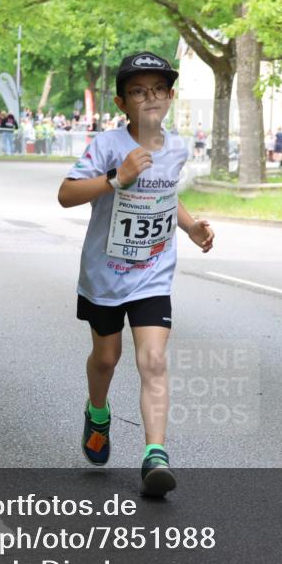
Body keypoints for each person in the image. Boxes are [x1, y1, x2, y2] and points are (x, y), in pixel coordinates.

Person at [57, 52, 215, 497]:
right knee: (107, 359)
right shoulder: (107, 146)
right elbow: (66, 195)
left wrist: (191, 225)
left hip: (153, 273)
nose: (150, 98)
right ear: (121, 101)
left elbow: (167, 195)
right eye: (139, 91)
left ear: (170, 97)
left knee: (153, 360)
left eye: (159, 90)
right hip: (104, 277)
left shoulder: (178, 148)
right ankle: (98, 412)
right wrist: (115, 178)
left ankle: (155, 455)